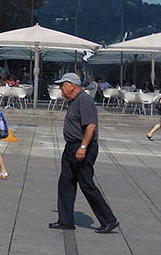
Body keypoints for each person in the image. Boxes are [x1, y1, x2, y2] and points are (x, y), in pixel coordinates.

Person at [49, 72, 119, 234]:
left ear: (71, 86)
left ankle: (109, 220)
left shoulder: (84, 100)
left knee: (86, 184)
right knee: (66, 182)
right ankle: (65, 220)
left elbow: (91, 125)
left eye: (62, 85)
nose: (60, 89)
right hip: (71, 146)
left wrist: (83, 147)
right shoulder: (73, 101)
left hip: (82, 147)